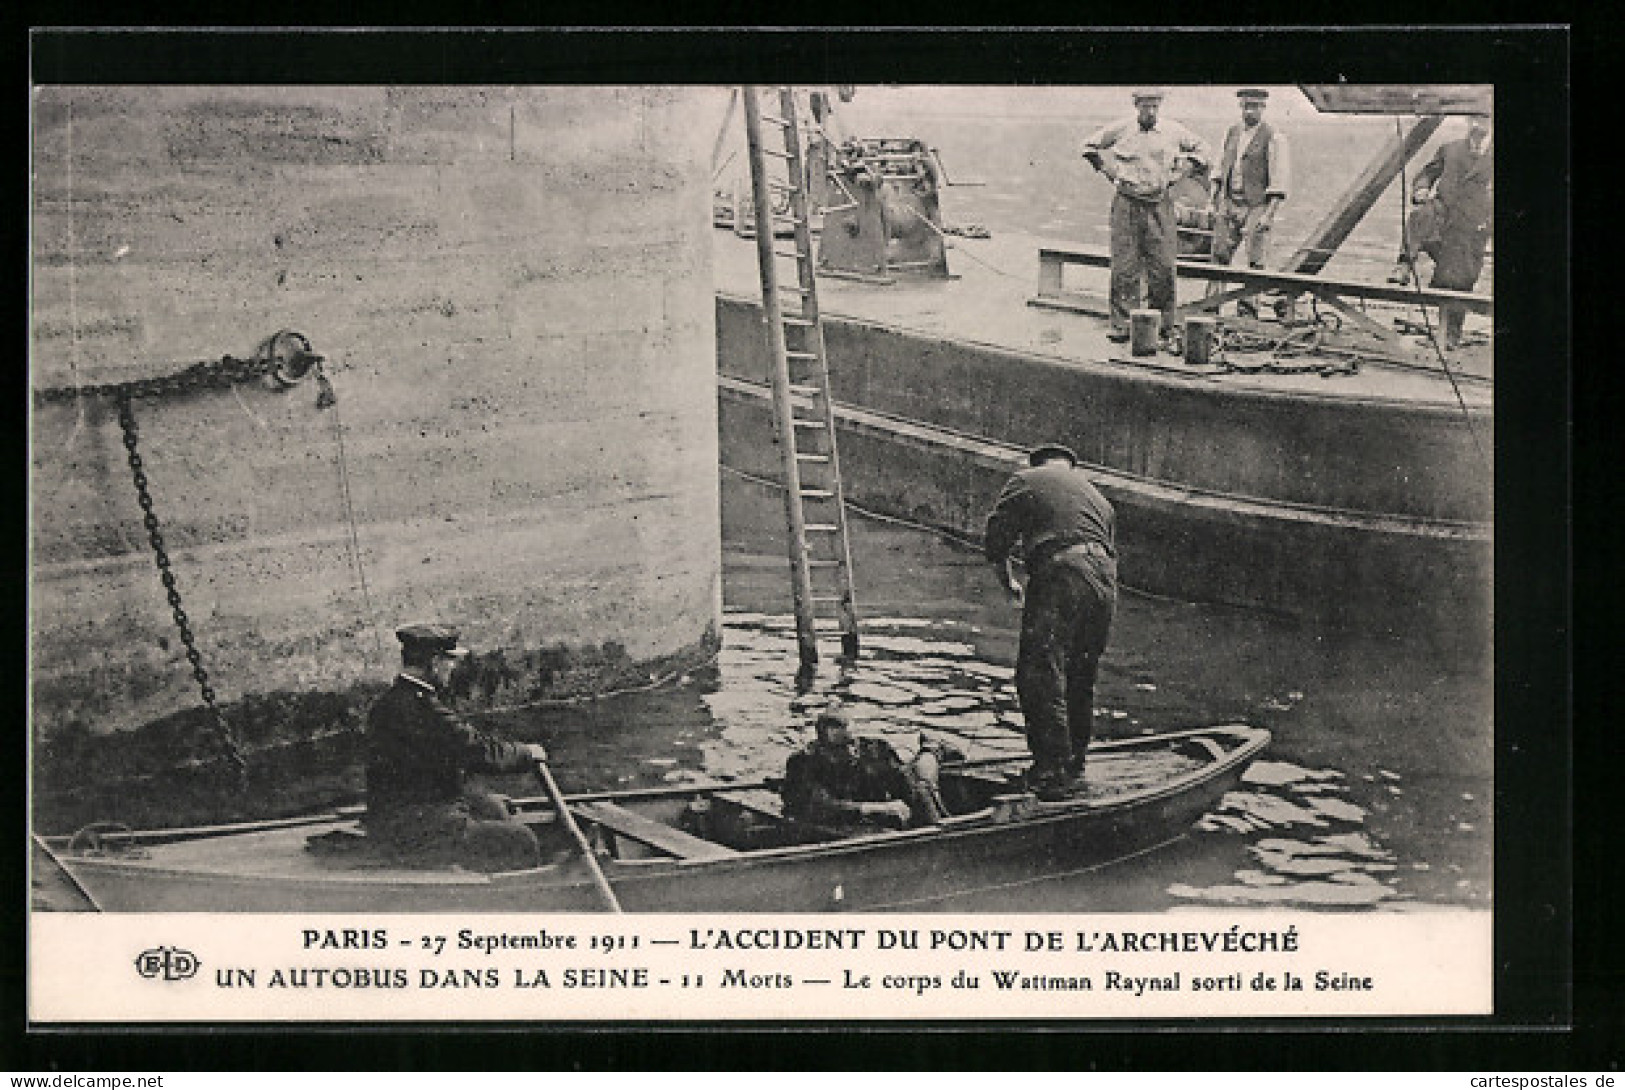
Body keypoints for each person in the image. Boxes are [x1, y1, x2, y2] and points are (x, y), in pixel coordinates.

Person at [984, 444, 1118, 801]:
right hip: (1104, 581)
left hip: (1060, 573)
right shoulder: (1097, 497)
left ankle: (1052, 770)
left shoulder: (1026, 479)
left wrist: (1008, 582)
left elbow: (996, 539)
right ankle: (1075, 763)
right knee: (1081, 673)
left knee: (1040, 671)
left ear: (1039, 464)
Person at [364, 623, 548, 871]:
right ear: (434, 662)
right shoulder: (421, 710)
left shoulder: (392, 702)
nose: (452, 668)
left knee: (492, 807)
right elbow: (475, 749)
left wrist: (473, 799)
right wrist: (528, 753)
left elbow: (427, 771)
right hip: (414, 827)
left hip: (404, 814)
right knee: (522, 840)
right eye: (449, 661)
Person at [1081, 89, 1211, 345]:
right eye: (1144, 106)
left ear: (1159, 106)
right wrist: (1106, 170)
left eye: (1154, 106)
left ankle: (1165, 326)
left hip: (1159, 204)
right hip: (1126, 203)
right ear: (1136, 106)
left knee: (1163, 265)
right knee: (1124, 266)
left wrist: (1183, 170)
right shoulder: (1121, 129)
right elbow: (1088, 146)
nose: (1149, 112)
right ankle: (1121, 325)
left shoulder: (1174, 131)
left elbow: (1204, 149)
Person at [1387, 108, 1493, 349]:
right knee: (1420, 216)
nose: (1478, 125)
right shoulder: (1450, 148)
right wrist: (1421, 189)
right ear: (1468, 121)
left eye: (1484, 120)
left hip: (1472, 226)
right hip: (1441, 215)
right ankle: (1404, 264)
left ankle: (1451, 334)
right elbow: (1427, 173)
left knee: (1457, 280)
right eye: (1474, 119)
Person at [780, 707, 949, 830]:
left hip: (870, 821)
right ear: (822, 747)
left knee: (922, 781)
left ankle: (931, 749)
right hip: (835, 825)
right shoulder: (803, 763)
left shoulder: (874, 750)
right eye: (841, 748)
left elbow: (907, 785)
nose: (851, 752)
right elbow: (821, 806)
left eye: (852, 743)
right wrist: (877, 808)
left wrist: (935, 826)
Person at [1207, 88, 1291, 317]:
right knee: (1219, 255)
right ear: (1240, 107)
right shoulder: (1231, 133)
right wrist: (1213, 200)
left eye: (1255, 106)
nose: (1250, 110)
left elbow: (1278, 180)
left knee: (1255, 260)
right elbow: (1219, 168)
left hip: (1256, 204)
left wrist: (1268, 214)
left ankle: (1248, 311)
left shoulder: (1273, 137)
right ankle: (1211, 306)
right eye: (1246, 106)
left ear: (1263, 108)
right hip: (1229, 202)